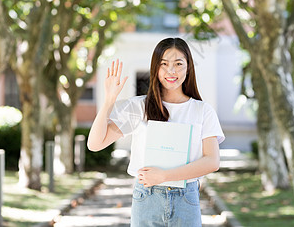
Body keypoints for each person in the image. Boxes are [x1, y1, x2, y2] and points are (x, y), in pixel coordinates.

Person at [87, 37, 225, 227]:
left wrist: (165, 176)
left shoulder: (202, 111)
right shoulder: (139, 107)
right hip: (147, 198)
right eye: (164, 64)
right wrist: (109, 100)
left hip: (186, 199)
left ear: (188, 67)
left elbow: (212, 161)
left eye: (178, 64)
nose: (171, 71)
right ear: (155, 68)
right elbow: (95, 144)